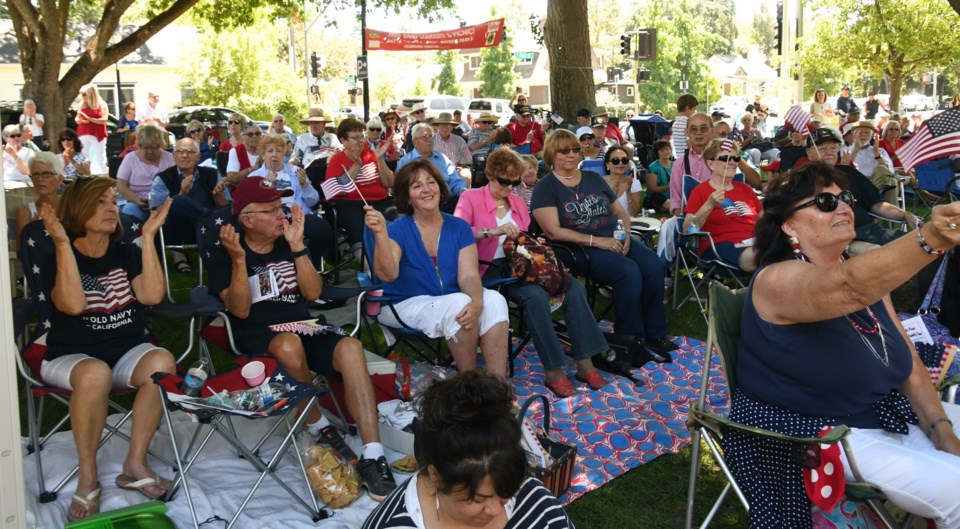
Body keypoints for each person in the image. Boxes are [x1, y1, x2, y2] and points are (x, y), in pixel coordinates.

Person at [724, 161, 960, 528]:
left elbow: (909, 363)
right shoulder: (775, 279)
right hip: (825, 432)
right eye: (825, 201)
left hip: (885, 413)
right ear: (789, 225)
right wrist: (932, 238)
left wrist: (943, 433)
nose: (846, 206)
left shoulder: (862, 274)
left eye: (845, 198)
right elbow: (847, 287)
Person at [207, 176, 398, 501]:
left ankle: (373, 453)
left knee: (351, 347)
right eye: (271, 211)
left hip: (304, 325)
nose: (282, 215)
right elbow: (238, 310)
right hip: (259, 335)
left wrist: (298, 248)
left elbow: (313, 292)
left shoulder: (289, 243)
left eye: (280, 208)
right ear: (247, 220)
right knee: (287, 344)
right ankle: (318, 426)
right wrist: (240, 260)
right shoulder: (227, 252)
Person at [38, 177, 175, 521]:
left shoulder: (125, 252)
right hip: (70, 355)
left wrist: (147, 239)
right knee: (95, 374)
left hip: (124, 350)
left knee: (162, 361)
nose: (111, 208)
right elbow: (71, 304)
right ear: (77, 209)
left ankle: (135, 462)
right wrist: (63, 244)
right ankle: (87, 478)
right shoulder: (55, 254)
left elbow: (152, 296)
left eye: (113, 201)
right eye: (100, 202)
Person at [455, 147, 608, 396]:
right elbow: (458, 232)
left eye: (514, 183)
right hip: (487, 268)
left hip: (522, 263)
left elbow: (526, 238)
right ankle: (554, 369)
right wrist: (492, 231)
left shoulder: (515, 201)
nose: (509, 188)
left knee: (572, 286)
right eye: (504, 182)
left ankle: (585, 361)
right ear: (491, 175)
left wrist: (544, 257)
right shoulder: (470, 198)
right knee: (535, 296)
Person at [531, 129, 677, 361]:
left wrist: (626, 234)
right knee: (628, 272)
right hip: (577, 247)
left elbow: (620, 212)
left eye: (575, 149)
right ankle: (631, 339)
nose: (571, 154)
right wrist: (599, 241)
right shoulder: (545, 188)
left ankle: (655, 332)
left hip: (612, 237)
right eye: (564, 150)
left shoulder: (593, 179)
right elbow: (553, 231)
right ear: (551, 154)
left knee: (651, 265)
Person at [362, 370, 574, 529]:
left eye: (504, 495)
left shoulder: (537, 504)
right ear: (436, 475)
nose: (495, 510)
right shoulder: (393, 524)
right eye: (478, 499)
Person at [365, 159, 510, 376]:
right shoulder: (397, 230)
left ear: (440, 188)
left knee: (494, 300)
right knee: (460, 303)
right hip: (401, 303)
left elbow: (469, 275)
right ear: (407, 197)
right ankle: (468, 384)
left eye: (430, 183)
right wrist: (380, 235)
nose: (426, 190)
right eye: (417, 186)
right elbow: (388, 274)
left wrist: (478, 301)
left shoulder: (459, 227)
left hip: (448, 300)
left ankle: (498, 386)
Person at [250, 133, 333, 269]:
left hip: (298, 216)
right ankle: (283, 270)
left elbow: (313, 201)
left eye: (279, 151)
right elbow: (250, 205)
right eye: (270, 151)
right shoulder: (254, 176)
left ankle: (312, 266)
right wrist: (265, 186)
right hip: (270, 219)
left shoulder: (296, 172)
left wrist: (305, 186)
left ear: (284, 154)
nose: (274, 155)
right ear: (263, 155)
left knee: (323, 229)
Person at [150, 137, 229, 273]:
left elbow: (226, 208)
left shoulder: (212, 174)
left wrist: (218, 196)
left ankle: (208, 223)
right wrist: (181, 193)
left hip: (206, 232)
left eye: (190, 152)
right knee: (177, 201)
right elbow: (158, 213)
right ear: (174, 156)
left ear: (198, 157)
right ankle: (209, 223)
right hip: (180, 232)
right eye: (180, 152)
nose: (185, 155)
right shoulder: (162, 178)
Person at [682, 139, 761, 272]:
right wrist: (709, 205)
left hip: (756, 242)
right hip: (721, 246)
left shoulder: (745, 189)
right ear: (711, 163)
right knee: (763, 256)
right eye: (725, 158)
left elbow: (763, 217)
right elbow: (688, 230)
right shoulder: (700, 191)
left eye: (735, 158)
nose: (732, 163)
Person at [324, 118, 396, 261]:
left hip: (379, 201)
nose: (361, 141)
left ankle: (396, 260)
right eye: (355, 137)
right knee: (356, 223)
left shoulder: (372, 155)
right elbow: (339, 190)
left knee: (399, 217)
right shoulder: (337, 160)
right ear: (343, 141)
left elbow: (389, 183)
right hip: (350, 203)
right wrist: (357, 164)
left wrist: (379, 159)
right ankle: (368, 269)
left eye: (362, 136)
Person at [396, 123, 466, 213]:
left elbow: (455, 182)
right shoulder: (405, 162)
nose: (429, 140)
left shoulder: (442, 159)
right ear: (415, 142)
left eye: (431, 136)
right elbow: (401, 191)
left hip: (446, 203)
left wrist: (463, 191)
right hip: (419, 206)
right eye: (425, 137)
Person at [116, 124, 175, 220]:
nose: (150, 151)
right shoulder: (130, 158)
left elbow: (175, 183)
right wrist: (136, 199)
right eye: (146, 148)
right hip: (135, 202)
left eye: (153, 148)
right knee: (130, 213)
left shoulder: (169, 158)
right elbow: (120, 185)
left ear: (160, 145)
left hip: (164, 203)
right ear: (139, 145)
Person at [16, 152, 64, 251]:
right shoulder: (26, 212)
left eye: (46, 174)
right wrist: (31, 230)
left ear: (60, 179)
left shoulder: (71, 207)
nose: (40, 179)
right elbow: (21, 251)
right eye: (35, 175)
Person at [669, 113, 714, 215]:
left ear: (712, 131)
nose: (698, 133)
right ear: (687, 133)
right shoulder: (680, 163)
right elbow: (676, 201)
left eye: (703, 129)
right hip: (687, 218)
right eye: (694, 129)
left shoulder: (722, 161)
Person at [290, 108, 342, 185]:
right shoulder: (303, 138)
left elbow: (340, 152)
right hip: (312, 171)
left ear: (324, 124)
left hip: (331, 169)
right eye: (311, 123)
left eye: (317, 123)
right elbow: (296, 158)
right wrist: (289, 166)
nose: (314, 126)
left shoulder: (332, 137)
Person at [76, 84, 109, 175]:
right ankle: (85, 180)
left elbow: (104, 120)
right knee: (83, 158)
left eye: (84, 94)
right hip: (83, 132)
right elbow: (76, 118)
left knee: (101, 159)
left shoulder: (102, 105)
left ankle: (107, 182)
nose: (82, 97)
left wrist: (90, 119)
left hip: (97, 134)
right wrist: (79, 120)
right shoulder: (82, 104)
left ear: (91, 94)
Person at [603, 146, 642, 217]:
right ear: (607, 164)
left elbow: (634, 214)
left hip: (627, 224)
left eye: (624, 160)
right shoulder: (599, 182)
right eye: (615, 160)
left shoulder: (634, 183)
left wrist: (628, 193)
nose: (621, 163)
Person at [644, 139, 672, 212]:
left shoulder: (675, 165)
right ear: (657, 153)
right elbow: (652, 189)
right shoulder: (652, 167)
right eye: (662, 150)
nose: (665, 151)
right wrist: (669, 186)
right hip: (656, 197)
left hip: (672, 196)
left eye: (667, 149)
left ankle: (668, 207)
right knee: (656, 197)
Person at [671, 94, 699, 159]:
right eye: (694, 109)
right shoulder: (688, 124)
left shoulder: (675, 124)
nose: (695, 111)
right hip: (689, 159)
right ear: (687, 108)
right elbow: (690, 145)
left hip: (679, 158)